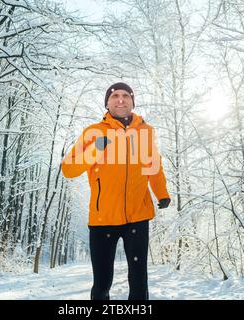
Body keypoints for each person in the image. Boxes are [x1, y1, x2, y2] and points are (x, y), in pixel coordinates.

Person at [61, 82, 171, 300]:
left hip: (138, 216)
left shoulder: (145, 132)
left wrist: (162, 194)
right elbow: (69, 169)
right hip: (104, 219)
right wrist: (96, 149)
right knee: (102, 283)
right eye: (115, 96)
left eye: (125, 96)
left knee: (139, 282)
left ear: (132, 101)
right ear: (107, 103)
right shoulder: (94, 132)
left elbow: (154, 167)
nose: (120, 99)